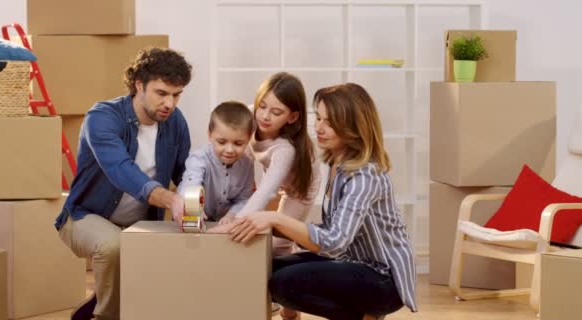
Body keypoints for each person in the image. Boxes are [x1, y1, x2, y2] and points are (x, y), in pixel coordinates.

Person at [229, 83, 418, 320]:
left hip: (383, 279)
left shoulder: (364, 176)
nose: (319, 127)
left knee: (284, 284)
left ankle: (364, 317)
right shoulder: (337, 165)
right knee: (267, 269)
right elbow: (332, 231)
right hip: (352, 262)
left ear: (354, 126)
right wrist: (273, 226)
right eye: (318, 118)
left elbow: (335, 242)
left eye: (330, 122)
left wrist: (275, 218)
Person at [54, 47, 192, 320]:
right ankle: (105, 316)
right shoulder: (102, 117)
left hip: (140, 224)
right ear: (139, 85)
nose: (170, 104)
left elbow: (187, 172)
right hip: (85, 216)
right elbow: (120, 169)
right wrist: (170, 199)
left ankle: (99, 303)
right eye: (161, 93)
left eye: (176, 95)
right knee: (112, 245)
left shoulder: (175, 121)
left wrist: (205, 201)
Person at [219, 72, 320, 257]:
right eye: (262, 106)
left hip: (299, 189)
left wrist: (237, 222)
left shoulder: (285, 149)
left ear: (292, 117)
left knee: (278, 246)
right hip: (273, 175)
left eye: (276, 112)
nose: (265, 116)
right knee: (250, 227)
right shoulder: (249, 117)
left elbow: (266, 191)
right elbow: (238, 156)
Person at [177, 101, 255, 222]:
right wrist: (194, 207)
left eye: (238, 143)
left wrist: (231, 215)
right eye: (222, 142)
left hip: (222, 223)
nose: (229, 150)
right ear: (209, 135)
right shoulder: (198, 158)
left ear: (249, 138)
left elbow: (244, 199)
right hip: (191, 218)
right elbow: (191, 184)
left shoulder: (247, 165)